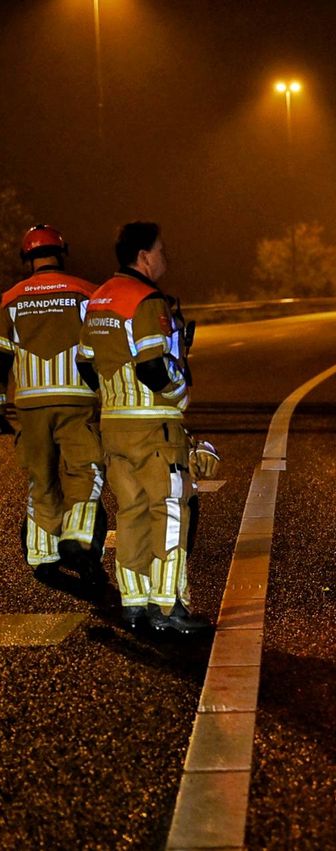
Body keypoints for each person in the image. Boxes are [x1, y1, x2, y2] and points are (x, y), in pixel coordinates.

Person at [78, 222, 212, 634]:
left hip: (114, 426)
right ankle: (168, 606)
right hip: (154, 427)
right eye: (160, 249)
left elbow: (85, 364)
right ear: (143, 256)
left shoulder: (99, 300)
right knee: (171, 511)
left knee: (132, 513)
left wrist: (115, 398)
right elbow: (153, 366)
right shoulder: (146, 300)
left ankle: (134, 603)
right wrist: (179, 396)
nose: (164, 256)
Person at [0, 224, 108, 597]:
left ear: (26, 258)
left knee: (41, 479)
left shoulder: (9, 300)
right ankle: (80, 541)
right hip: (77, 400)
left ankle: (42, 554)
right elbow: (105, 345)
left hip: (29, 405)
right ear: (61, 253)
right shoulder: (86, 292)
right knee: (85, 473)